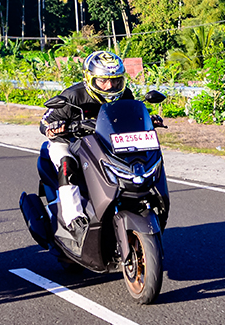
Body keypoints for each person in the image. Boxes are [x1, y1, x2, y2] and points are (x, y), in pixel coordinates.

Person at [39, 50, 164, 239]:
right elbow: (45, 120)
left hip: (104, 143)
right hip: (68, 142)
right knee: (67, 164)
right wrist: (53, 127)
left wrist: (147, 119)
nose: (110, 86)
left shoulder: (125, 95)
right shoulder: (73, 95)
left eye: (115, 80)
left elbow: (134, 115)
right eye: (103, 80)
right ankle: (74, 219)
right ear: (90, 78)